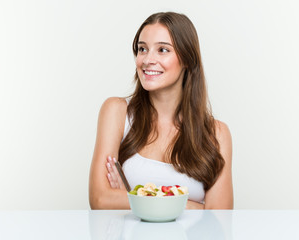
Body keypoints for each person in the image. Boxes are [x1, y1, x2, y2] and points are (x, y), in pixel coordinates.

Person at [89, 12, 233, 209]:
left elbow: (219, 218)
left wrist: (131, 196)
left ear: (187, 60)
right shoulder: (117, 112)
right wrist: (190, 205)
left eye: (163, 50)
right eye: (142, 49)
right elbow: (100, 199)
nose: (147, 60)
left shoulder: (217, 133)